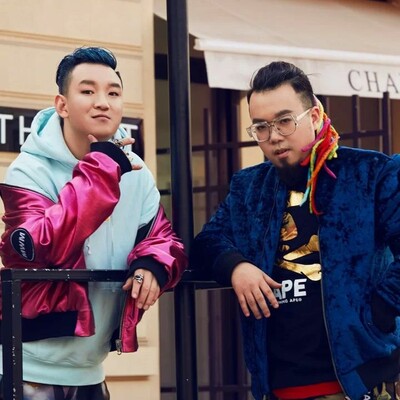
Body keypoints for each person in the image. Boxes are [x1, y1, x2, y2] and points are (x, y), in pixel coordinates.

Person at [191, 61, 400, 400]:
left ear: (314, 115)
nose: (274, 136)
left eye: (285, 121)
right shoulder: (250, 187)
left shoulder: (370, 172)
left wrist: (378, 311)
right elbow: (207, 241)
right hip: (277, 386)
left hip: (356, 383)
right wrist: (236, 267)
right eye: (261, 127)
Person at [0, 46, 187, 400]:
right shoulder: (28, 170)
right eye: (87, 91)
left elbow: (163, 239)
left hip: (93, 372)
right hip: (23, 371)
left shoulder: (136, 171)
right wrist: (102, 168)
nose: (103, 102)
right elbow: (39, 247)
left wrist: (151, 265)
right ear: (62, 105)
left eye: (113, 93)